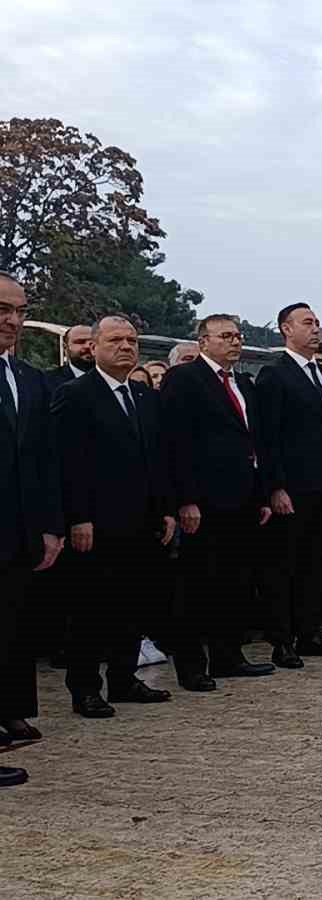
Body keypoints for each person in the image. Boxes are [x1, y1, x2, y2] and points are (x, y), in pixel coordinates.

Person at [51, 316, 176, 717]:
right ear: (95, 347)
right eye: (116, 340)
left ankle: (124, 678)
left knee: (132, 605)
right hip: (97, 522)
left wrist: (166, 509)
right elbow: (69, 462)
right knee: (91, 608)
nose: (126, 347)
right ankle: (85, 687)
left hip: (143, 521)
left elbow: (158, 458)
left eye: (132, 340)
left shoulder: (143, 396)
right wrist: (78, 516)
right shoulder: (76, 394)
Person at [162, 314, 276, 691]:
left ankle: (229, 656)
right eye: (225, 336)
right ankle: (192, 665)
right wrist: (187, 499)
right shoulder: (185, 379)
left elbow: (253, 442)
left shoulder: (242, 382)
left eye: (238, 335)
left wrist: (261, 494)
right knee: (197, 584)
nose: (234, 342)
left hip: (242, 497)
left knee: (235, 581)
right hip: (205, 500)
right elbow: (176, 443)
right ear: (203, 341)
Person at [254, 303, 322, 668]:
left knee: (315, 562)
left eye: (317, 323)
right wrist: (275, 487)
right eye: (308, 323)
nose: (316, 330)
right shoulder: (273, 374)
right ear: (286, 329)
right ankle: (282, 640)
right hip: (293, 487)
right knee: (284, 565)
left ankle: (310, 632)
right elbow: (268, 437)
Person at [0, 273, 65, 784]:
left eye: (20, 310)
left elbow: (42, 459)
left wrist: (49, 525)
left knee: (12, 627)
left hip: (19, 530)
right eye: (3, 308)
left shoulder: (27, 377)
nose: (13, 320)